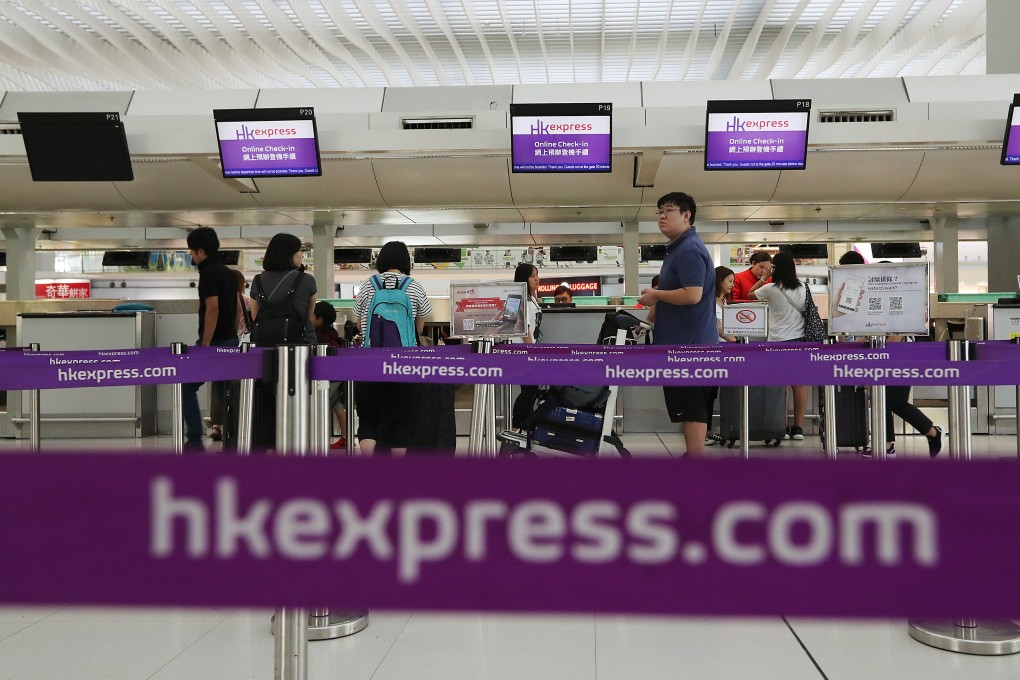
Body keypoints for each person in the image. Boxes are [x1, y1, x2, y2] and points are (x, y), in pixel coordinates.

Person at [638, 191, 716, 457]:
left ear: (686, 215)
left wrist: (656, 295)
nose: (661, 216)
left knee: (692, 405)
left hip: (690, 346)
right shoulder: (678, 248)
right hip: (684, 343)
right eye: (659, 212)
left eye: (668, 211)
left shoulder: (690, 250)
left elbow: (692, 295)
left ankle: (695, 461)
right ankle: (693, 456)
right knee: (688, 404)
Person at [353, 241, 432, 455]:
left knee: (369, 415)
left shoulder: (369, 284)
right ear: (405, 261)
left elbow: (359, 320)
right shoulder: (413, 285)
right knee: (402, 414)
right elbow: (420, 324)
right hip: (405, 361)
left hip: (370, 360)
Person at [182, 227, 239, 451]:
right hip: (230, 340)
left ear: (202, 251)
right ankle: (233, 439)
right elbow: (234, 310)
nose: (191, 256)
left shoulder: (208, 273)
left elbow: (212, 309)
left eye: (192, 252)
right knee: (226, 392)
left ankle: (195, 439)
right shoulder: (227, 272)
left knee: (187, 387)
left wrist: (204, 345)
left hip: (214, 343)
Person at [748, 251, 808, 440]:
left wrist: (765, 277)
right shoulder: (804, 288)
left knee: (781, 386)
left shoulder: (770, 288)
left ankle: (780, 427)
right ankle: (798, 428)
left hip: (777, 343)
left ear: (776, 268)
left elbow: (750, 295)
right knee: (800, 384)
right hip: (799, 341)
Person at [249, 233, 317, 344]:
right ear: (289, 254)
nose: (302, 255)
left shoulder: (257, 280)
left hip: (264, 342)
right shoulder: (306, 280)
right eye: (299, 250)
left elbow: (255, 315)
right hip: (299, 343)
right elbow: (308, 315)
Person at [705, 266, 737, 446]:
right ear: (719, 281)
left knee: (713, 393)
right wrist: (736, 342)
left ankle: (708, 431)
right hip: (714, 352)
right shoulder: (710, 302)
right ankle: (705, 432)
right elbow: (718, 329)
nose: (732, 285)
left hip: (723, 352)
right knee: (708, 393)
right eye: (730, 281)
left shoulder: (722, 302)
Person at [312, 301, 349, 451]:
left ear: (320, 319)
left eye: (312, 315)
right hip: (338, 374)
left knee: (321, 405)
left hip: (329, 376)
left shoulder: (317, 336)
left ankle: (317, 439)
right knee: (336, 405)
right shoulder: (332, 333)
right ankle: (346, 437)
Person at [511, 262, 543, 429]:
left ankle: (525, 425)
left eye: (537, 274)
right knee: (529, 390)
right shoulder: (521, 299)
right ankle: (518, 425)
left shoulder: (530, 298)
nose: (537, 278)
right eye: (533, 275)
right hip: (523, 351)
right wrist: (531, 352)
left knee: (530, 390)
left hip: (528, 350)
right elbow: (525, 329)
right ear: (524, 278)